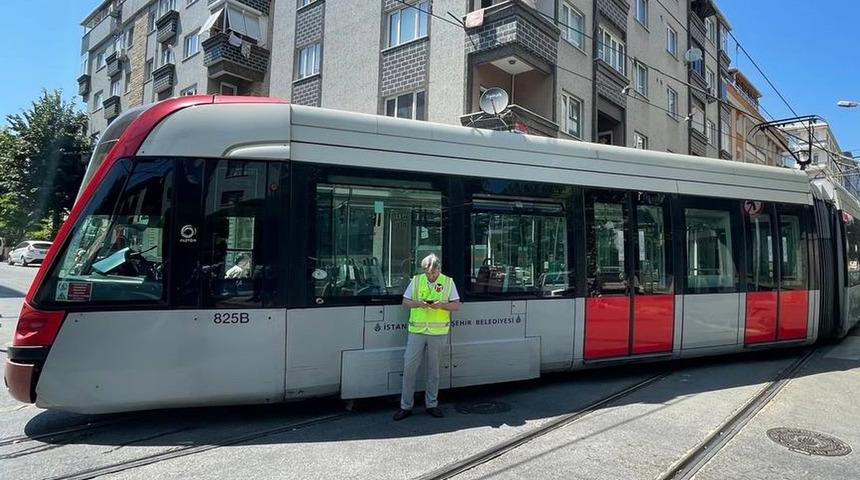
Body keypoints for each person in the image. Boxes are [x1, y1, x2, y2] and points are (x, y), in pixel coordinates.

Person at [393, 253, 461, 421]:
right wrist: (419, 304)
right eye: (427, 272)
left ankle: (432, 404)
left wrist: (441, 306)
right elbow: (405, 302)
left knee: (434, 371)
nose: (430, 275)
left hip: (437, 333)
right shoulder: (416, 280)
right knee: (409, 368)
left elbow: (456, 305)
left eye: (433, 272)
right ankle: (405, 406)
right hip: (417, 331)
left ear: (439, 269)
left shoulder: (447, 282)